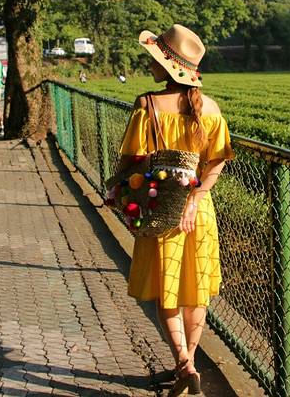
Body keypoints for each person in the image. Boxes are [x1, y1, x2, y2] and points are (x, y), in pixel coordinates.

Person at [116, 24, 234, 396]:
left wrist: (117, 187)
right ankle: (190, 363)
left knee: (167, 289)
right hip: (199, 211)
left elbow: (130, 159)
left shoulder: (147, 105)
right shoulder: (211, 109)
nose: (149, 64)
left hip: (160, 206)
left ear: (167, 67)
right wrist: (195, 198)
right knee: (195, 291)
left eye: (154, 59)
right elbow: (217, 161)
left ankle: (184, 363)